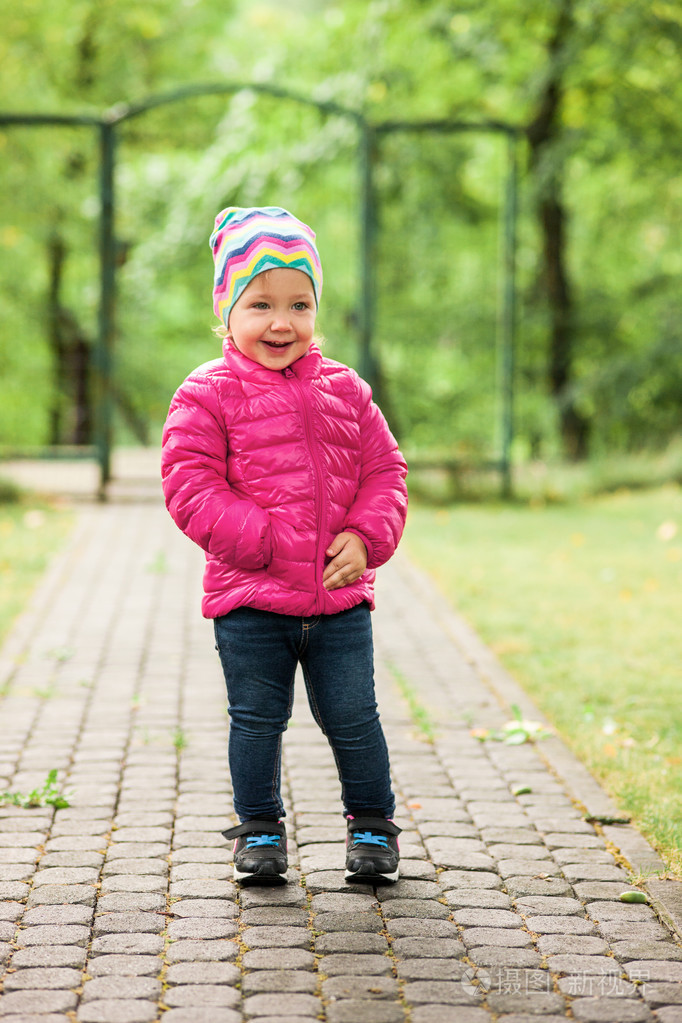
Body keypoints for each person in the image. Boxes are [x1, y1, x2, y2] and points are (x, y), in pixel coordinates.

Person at [161, 206, 408, 887]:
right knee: (257, 718)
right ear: (227, 313)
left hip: (338, 599)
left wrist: (365, 536)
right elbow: (189, 484)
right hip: (250, 597)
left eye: (300, 304)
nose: (281, 322)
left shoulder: (346, 391)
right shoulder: (205, 393)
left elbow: (385, 471)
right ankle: (260, 830)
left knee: (355, 715)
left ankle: (371, 827)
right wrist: (265, 541)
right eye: (261, 304)